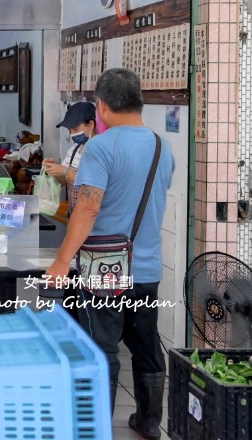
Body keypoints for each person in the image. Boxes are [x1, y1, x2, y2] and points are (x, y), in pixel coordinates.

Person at [44, 68, 173, 439]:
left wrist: (62, 259)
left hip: (104, 269)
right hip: (147, 267)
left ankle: (96, 426)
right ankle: (149, 422)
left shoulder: (101, 146)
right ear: (140, 100)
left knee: (101, 347)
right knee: (146, 343)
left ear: (100, 106)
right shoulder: (163, 148)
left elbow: (87, 209)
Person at [42, 102, 97, 214]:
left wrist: (65, 171)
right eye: (69, 130)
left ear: (91, 125)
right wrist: (54, 170)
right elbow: (62, 181)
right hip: (73, 218)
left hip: (93, 222)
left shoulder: (101, 153)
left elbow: (93, 189)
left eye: (76, 129)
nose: (72, 134)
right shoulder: (74, 150)